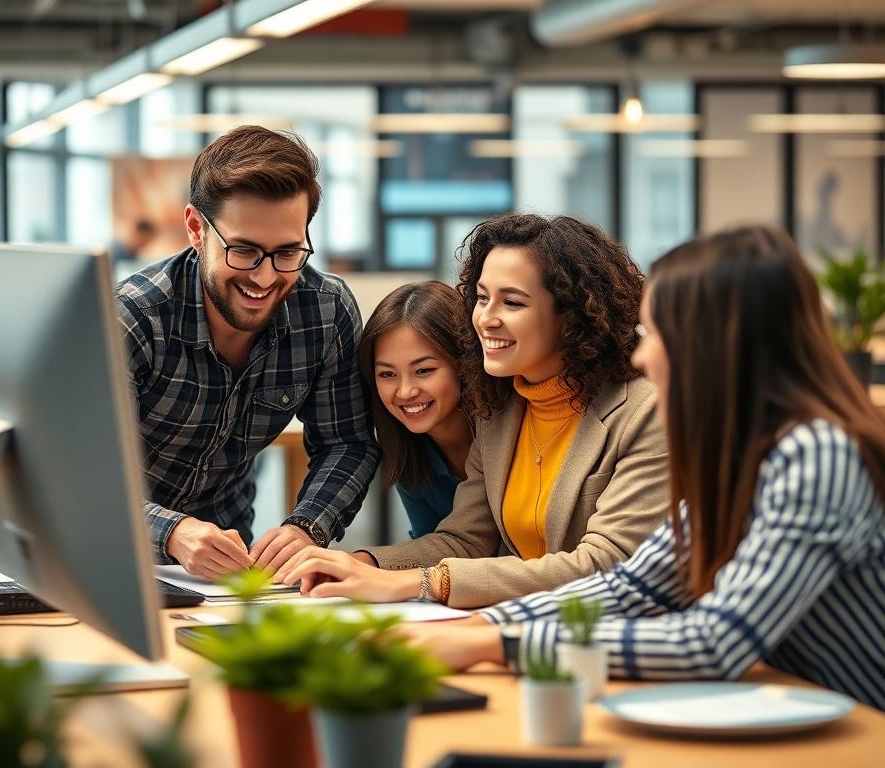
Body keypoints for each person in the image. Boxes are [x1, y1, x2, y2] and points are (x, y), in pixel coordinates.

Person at [397, 225, 885, 710]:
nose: (642, 354)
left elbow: (713, 641)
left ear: (716, 345)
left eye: (657, 334)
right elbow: (633, 586)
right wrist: (480, 628)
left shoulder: (816, 457)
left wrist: (498, 644)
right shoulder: (743, 456)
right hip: (799, 708)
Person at [280, 214, 668, 608]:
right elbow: (465, 540)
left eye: (512, 302)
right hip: (530, 625)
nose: (485, 318)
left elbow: (609, 565)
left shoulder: (646, 411)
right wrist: (359, 564)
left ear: (573, 315)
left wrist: (426, 582)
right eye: (482, 298)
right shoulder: (502, 411)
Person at [115, 126, 379, 579]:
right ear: (196, 229)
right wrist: (172, 533)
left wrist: (306, 527)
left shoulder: (325, 311)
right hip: (106, 554)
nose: (264, 277)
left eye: (287, 252)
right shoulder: (133, 320)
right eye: (244, 251)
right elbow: (78, 477)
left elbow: (346, 443)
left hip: (221, 572)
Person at [359, 281, 474, 539]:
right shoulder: (408, 453)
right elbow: (431, 548)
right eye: (387, 374)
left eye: (423, 371)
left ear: (463, 361)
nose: (405, 391)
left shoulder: (509, 432)